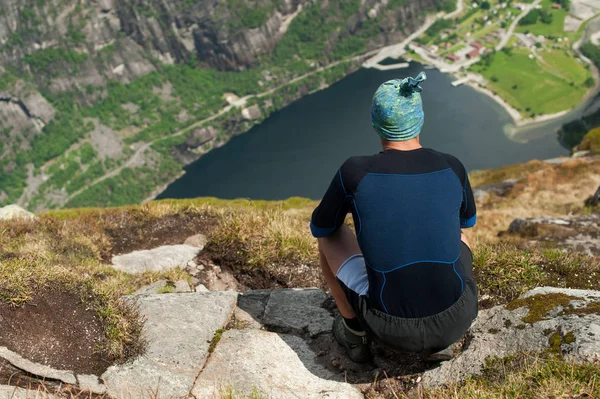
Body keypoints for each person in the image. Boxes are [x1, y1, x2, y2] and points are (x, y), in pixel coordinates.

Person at [310, 72, 478, 363]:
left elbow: (321, 226)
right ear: (419, 118)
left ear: (377, 122)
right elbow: (467, 223)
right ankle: (439, 338)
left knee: (329, 237)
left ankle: (353, 331)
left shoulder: (355, 171)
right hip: (457, 318)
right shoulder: (452, 165)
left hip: (389, 328)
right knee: (462, 233)